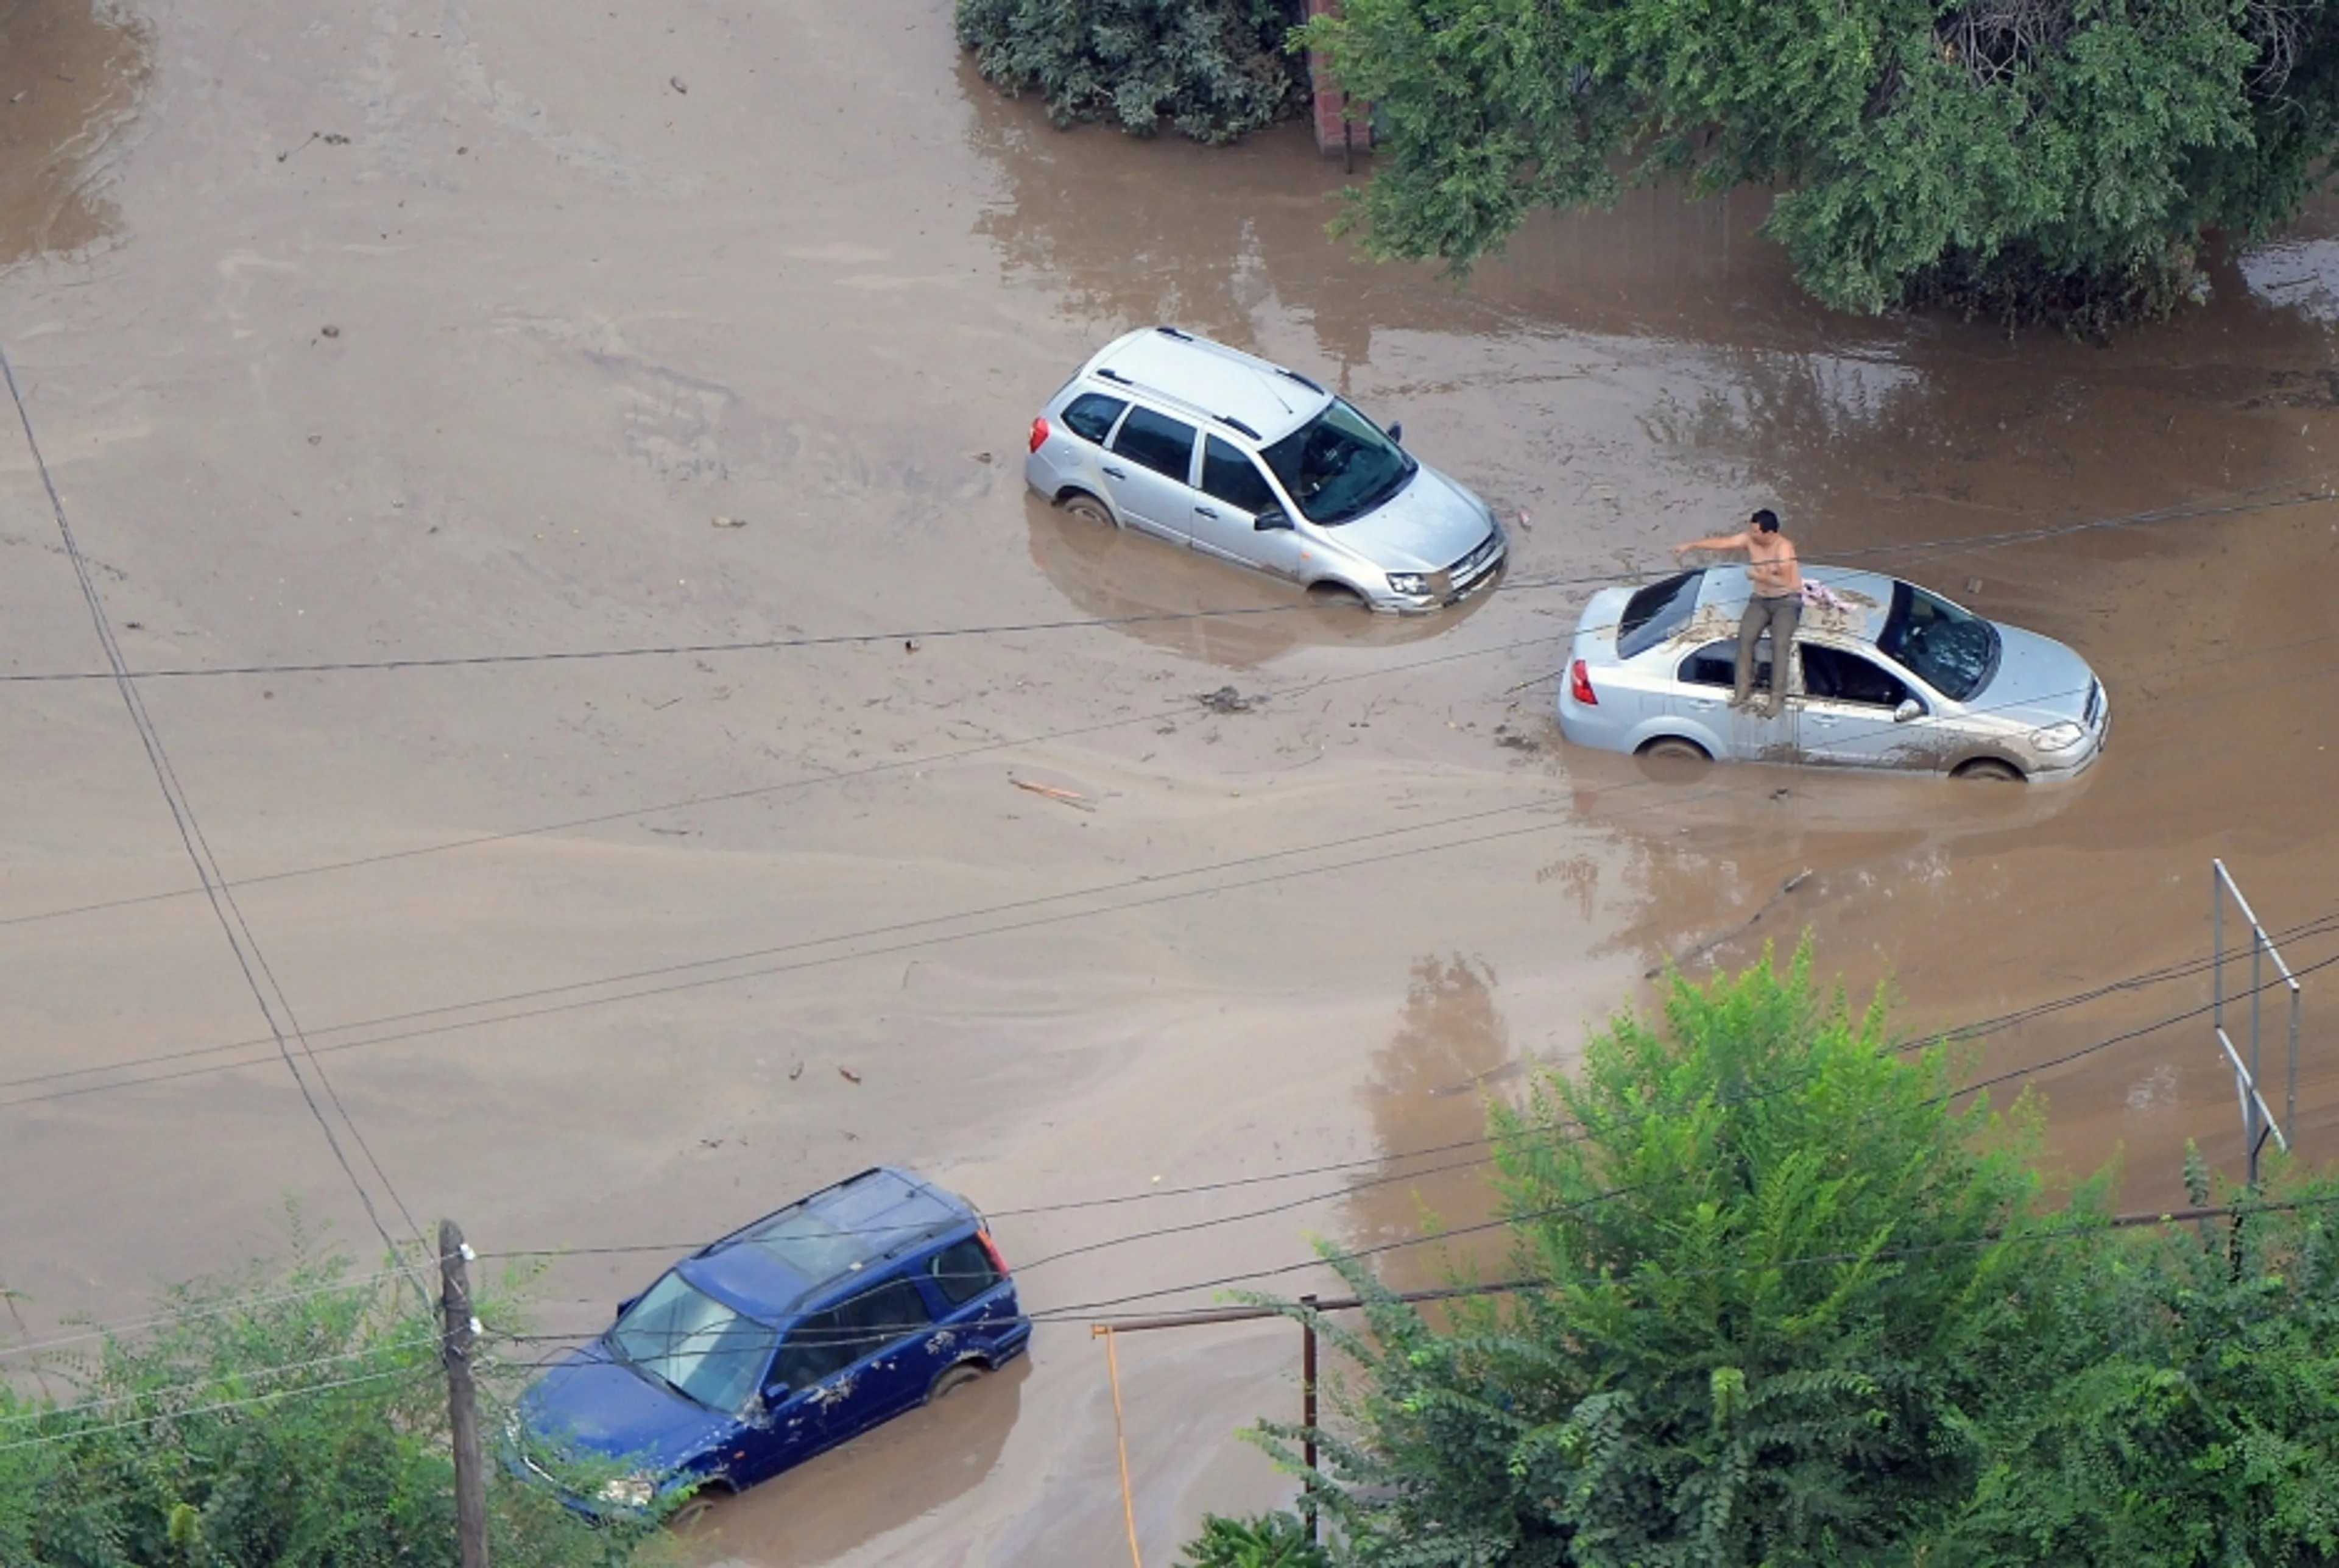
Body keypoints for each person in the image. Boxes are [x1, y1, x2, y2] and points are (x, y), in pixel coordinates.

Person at [1673, 508, 1802, 716]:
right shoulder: (1750, 540)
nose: (1752, 535)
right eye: (1751, 531)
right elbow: (1722, 543)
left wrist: (1757, 575)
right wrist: (1692, 545)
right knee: (1745, 638)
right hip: (1761, 600)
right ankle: (1742, 689)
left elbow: (1785, 581)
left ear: (1770, 533)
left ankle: (1777, 697)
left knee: (1780, 643)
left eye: (1757, 532)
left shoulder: (1784, 548)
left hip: (1787, 601)